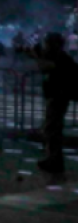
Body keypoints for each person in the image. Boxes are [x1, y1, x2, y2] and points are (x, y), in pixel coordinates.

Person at [24, 33, 77, 174]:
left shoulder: (61, 58)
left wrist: (36, 55)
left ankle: (55, 161)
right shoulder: (58, 56)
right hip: (56, 97)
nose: (45, 46)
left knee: (52, 129)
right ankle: (53, 159)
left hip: (59, 97)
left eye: (47, 43)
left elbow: (45, 67)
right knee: (51, 129)